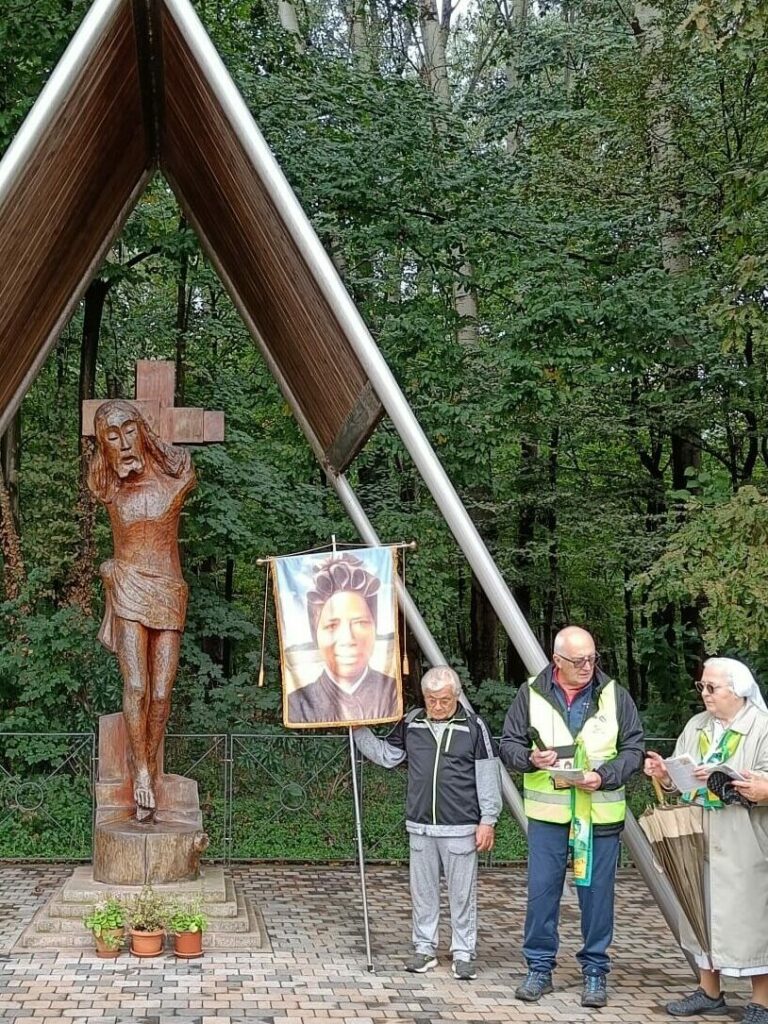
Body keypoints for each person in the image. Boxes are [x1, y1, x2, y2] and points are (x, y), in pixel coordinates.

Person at [500, 625, 644, 1008]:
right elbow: (509, 744)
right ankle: (539, 968)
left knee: (597, 898)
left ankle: (595, 972)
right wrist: (530, 759)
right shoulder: (531, 692)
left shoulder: (614, 695)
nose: (587, 666)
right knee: (542, 894)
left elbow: (634, 749)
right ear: (556, 660)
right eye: (578, 660)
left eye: (592, 658)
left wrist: (606, 776)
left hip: (599, 817)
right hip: (549, 816)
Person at [354, 665, 501, 980]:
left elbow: (488, 774)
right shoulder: (411, 722)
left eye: (443, 700)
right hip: (419, 825)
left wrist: (488, 819)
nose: (436, 706)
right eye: (431, 699)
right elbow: (386, 755)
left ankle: (463, 952)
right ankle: (424, 948)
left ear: (456, 696)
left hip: (461, 827)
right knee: (422, 892)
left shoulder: (475, 727)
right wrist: (357, 730)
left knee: (462, 894)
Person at [88, 399, 196, 821]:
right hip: (129, 588)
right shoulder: (108, 489)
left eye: (128, 430)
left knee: (161, 693)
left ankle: (148, 757)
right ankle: (142, 773)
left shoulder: (176, 482)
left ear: (142, 431)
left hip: (168, 590)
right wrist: (108, 569)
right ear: (104, 444)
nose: (123, 442)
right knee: (135, 686)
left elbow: (183, 465)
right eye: (112, 436)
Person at [644, 657, 768, 1023]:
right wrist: (665, 773)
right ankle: (709, 990)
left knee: (752, 918)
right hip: (697, 834)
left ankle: (761, 1002)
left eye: (712, 688)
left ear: (738, 690)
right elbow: (681, 776)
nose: (705, 694)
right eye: (702, 687)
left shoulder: (762, 727)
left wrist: (758, 787)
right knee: (699, 907)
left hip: (743, 836)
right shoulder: (698, 725)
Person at [286, 554, 399, 725]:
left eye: (360, 623)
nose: (348, 639)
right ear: (315, 635)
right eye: (332, 626)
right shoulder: (297, 704)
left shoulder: (392, 693)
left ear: (375, 627)